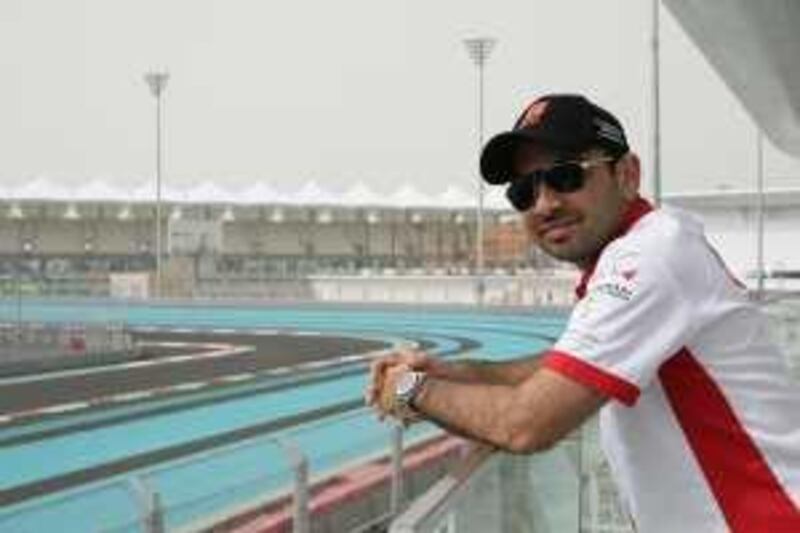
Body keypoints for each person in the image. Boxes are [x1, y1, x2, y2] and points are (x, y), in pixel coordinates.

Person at [365, 94, 800, 532]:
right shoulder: (649, 247)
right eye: (524, 190)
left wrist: (408, 390)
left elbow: (527, 424)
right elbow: (559, 371)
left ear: (627, 175)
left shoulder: (647, 259)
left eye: (566, 176)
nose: (544, 204)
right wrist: (448, 372)